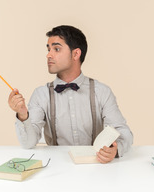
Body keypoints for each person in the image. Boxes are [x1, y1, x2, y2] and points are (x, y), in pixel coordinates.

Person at [8, 25, 133, 163]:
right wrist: (22, 115)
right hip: (56, 167)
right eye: (48, 49)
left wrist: (115, 149)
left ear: (76, 54)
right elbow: (28, 143)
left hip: (96, 168)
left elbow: (124, 133)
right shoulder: (41, 94)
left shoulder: (101, 91)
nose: (48, 55)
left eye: (56, 49)